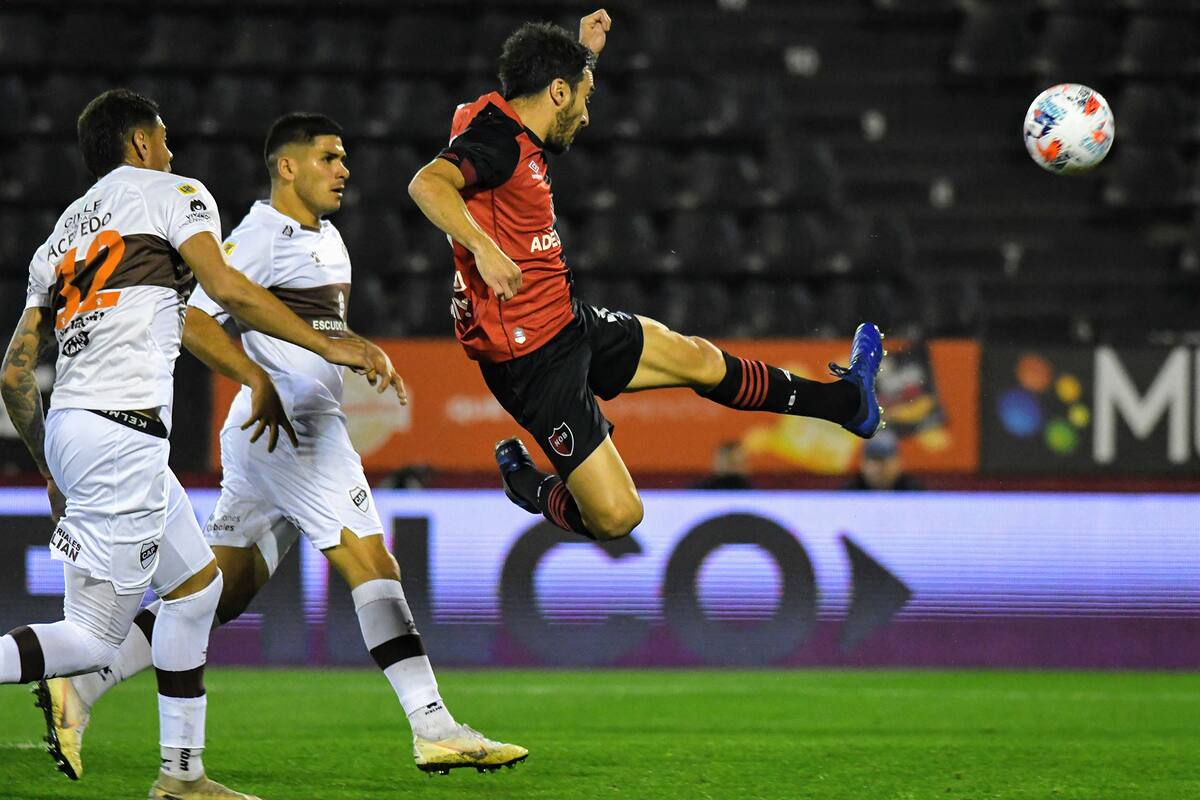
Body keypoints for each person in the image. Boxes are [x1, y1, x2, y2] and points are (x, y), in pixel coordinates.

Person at [41, 113, 526, 777]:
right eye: (330, 157)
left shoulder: (327, 239)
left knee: (220, 593)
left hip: (272, 433)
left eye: (345, 157)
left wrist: (349, 348)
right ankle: (434, 726)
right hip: (296, 429)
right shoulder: (261, 236)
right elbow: (193, 319)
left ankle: (80, 683)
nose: (344, 170)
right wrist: (258, 377)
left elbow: (314, 327)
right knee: (374, 564)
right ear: (288, 166)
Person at [0, 89, 399, 800]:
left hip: (77, 429)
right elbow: (227, 290)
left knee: (197, 588)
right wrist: (328, 344)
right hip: (121, 433)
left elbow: (14, 373)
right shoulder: (174, 194)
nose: (173, 147)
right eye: (164, 135)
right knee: (90, 639)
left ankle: (181, 776)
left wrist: (50, 468)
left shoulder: (58, 238)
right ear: (141, 142)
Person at [408, 10, 886, 541]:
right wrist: (483, 248)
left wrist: (584, 56)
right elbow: (427, 184)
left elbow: (547, 98)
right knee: (617, 517)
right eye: (585, 99)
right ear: (559, 93)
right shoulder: (497, 143)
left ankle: (848, 403)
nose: (587, 117)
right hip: (530, 361)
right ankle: (530, 488)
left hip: (566, 321)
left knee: (700, 360)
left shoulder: (500, 117)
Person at [843, 430, 923, 491]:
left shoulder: (915, 494)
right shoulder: (847, 495)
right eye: (874, 462)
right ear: (862, 464)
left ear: (899, 463)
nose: (879, 469)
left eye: (884, 462)